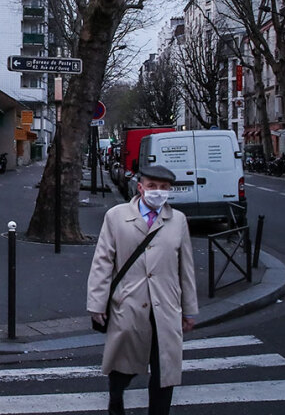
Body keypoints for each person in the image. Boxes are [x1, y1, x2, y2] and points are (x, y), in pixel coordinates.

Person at [87, 164, 198, 415]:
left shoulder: (177, 220)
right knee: (121, 368)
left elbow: (186, 268)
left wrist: (189, 309)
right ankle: (116, 402)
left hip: (166, 306)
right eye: (152, 186)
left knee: (164, 372)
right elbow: (103, 261)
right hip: (128, 304)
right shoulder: (116, 216)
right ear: (140, 187)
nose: (157, 192)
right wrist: (96, 303)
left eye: (163, 188)